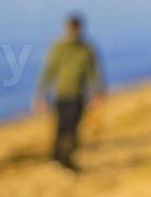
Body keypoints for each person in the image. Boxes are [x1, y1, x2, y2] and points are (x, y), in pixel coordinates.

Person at [35, 14, 105, 172]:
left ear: (79, 28)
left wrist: (98, 93)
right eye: (69, 28)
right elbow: (49, 71)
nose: (72, 31)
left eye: (74, 28)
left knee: (73, 130)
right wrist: (41, 95)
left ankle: (67, 159)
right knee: (60, 127)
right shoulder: (59, 47)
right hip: (62, 95)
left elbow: (94, 73)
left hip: (78, 96)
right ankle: (56, 157)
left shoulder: (87, 49)